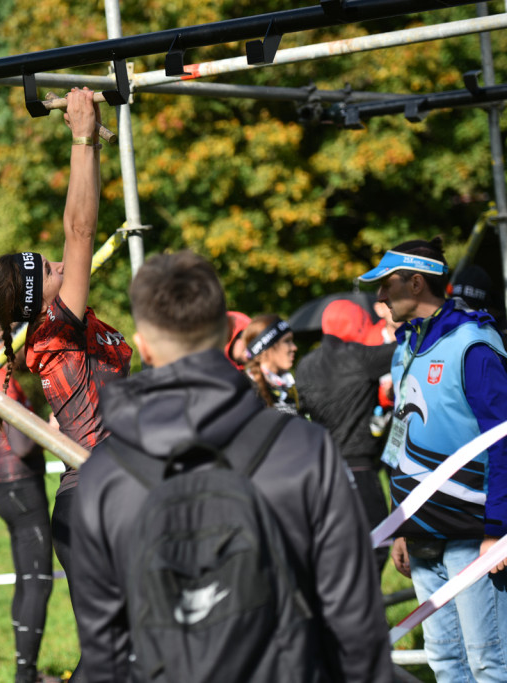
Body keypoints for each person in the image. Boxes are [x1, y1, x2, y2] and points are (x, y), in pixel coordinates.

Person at [72, 250, 391, 682]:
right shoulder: (306, 449)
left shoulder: (101, 477)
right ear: (227, 331)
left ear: (142, 345)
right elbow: (355, 622)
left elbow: (103, 651)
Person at [0, 88, 132, 681]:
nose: (64, 267)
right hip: (99, 493)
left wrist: (98, 141)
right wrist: (80, 134)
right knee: (125, 650)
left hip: (97, 490)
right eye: (48, 270)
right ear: (36, 296)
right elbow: (80, 226)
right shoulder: (53, 329)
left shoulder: (57, 328)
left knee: (118, 651)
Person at [359, 237, 507, 682]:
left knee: (489, 665)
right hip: (421, 538)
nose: (380, 298)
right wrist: (400, 526)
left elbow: (501, 442)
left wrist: (498, 531)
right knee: (444, 664)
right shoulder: (406, 347)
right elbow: (400, 446)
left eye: (387, 286)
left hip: (472, 538)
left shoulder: (473, 343)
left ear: (417, 283)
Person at [0, 320, 54, 683]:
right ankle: (25, 675)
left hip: (4, 490)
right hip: (23, 490)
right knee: (39, 583)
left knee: (26, 580)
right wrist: (50, 426)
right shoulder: (2, 380)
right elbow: (21, 444)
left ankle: (25, 673)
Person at [295, 299, 396, 573]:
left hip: (323, 470)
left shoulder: (304, 365)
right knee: (377, 547)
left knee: (336, 552)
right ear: (356, 325)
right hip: (360, 468)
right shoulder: (358, 356)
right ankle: (368, 611)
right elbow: (404, 349)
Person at [242, 313, 299, 414]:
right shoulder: (246, 390)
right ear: (265, 349)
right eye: (287, 341)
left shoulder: (291, 385)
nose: (294, 348)